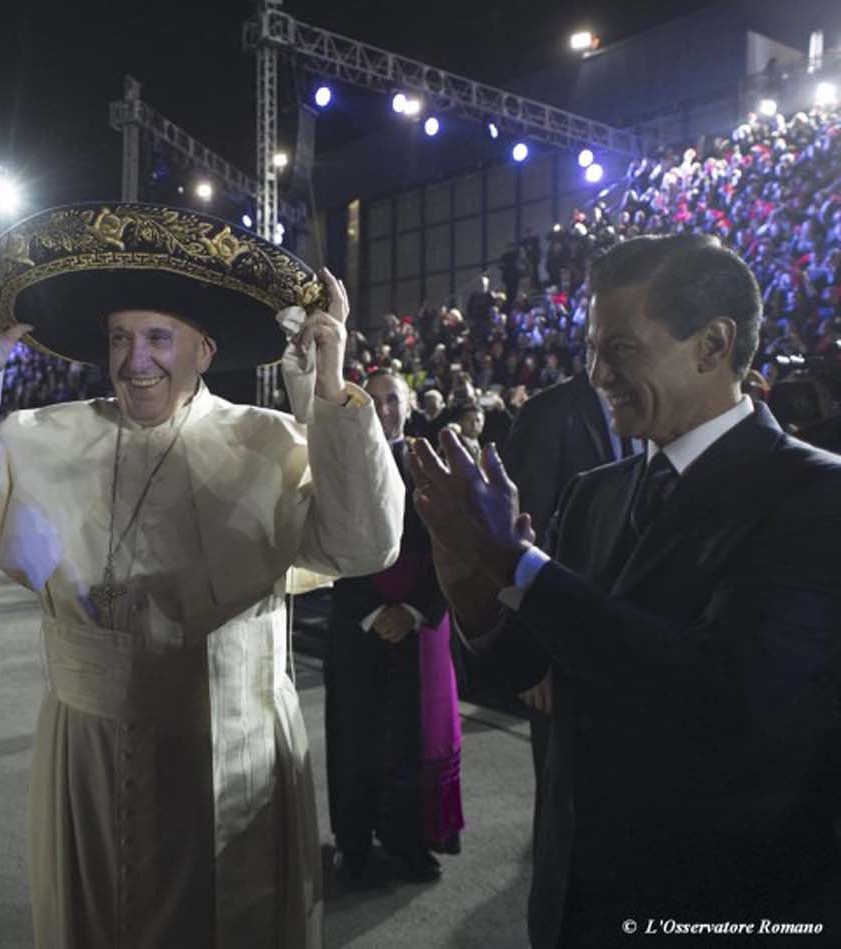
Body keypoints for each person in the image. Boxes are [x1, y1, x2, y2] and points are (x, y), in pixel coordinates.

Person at [0, 202, 405, 947]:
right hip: (87, 756)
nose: (134, 360)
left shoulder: (269, 443)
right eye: (119, 338)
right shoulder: (41, 439)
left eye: (157, 338)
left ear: (204, 350)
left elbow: (366, 545)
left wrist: (328, 394)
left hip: (231, 751)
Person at [410, 234, 841, 947]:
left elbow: (722, 695)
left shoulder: (814, 494)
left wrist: (517, 563)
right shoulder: (594, 494)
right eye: (590, 347)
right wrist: (473, 589)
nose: (595, 372)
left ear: (712, 344)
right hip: (576, 900)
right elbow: (527, 667)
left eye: (621, 349)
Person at [324, 370, 461, 888]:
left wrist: (416, 612)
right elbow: (327, 544)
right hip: (359, 628)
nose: (383, 409)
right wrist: (370, 612)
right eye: (374, 400)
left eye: (392, 400)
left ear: (409, 405)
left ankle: (410, 842)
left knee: (410, 739)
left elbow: (456, 550)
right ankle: (353, 843)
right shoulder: (338, 463)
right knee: (354, 737)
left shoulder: (437, 469)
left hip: (416, 628)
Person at [499, 370, 628, 822]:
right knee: (564, 808)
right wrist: (534, 653)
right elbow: (516, 540)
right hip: (563, 641)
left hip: (627, 639)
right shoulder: (550, 412)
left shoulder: (655, 406)